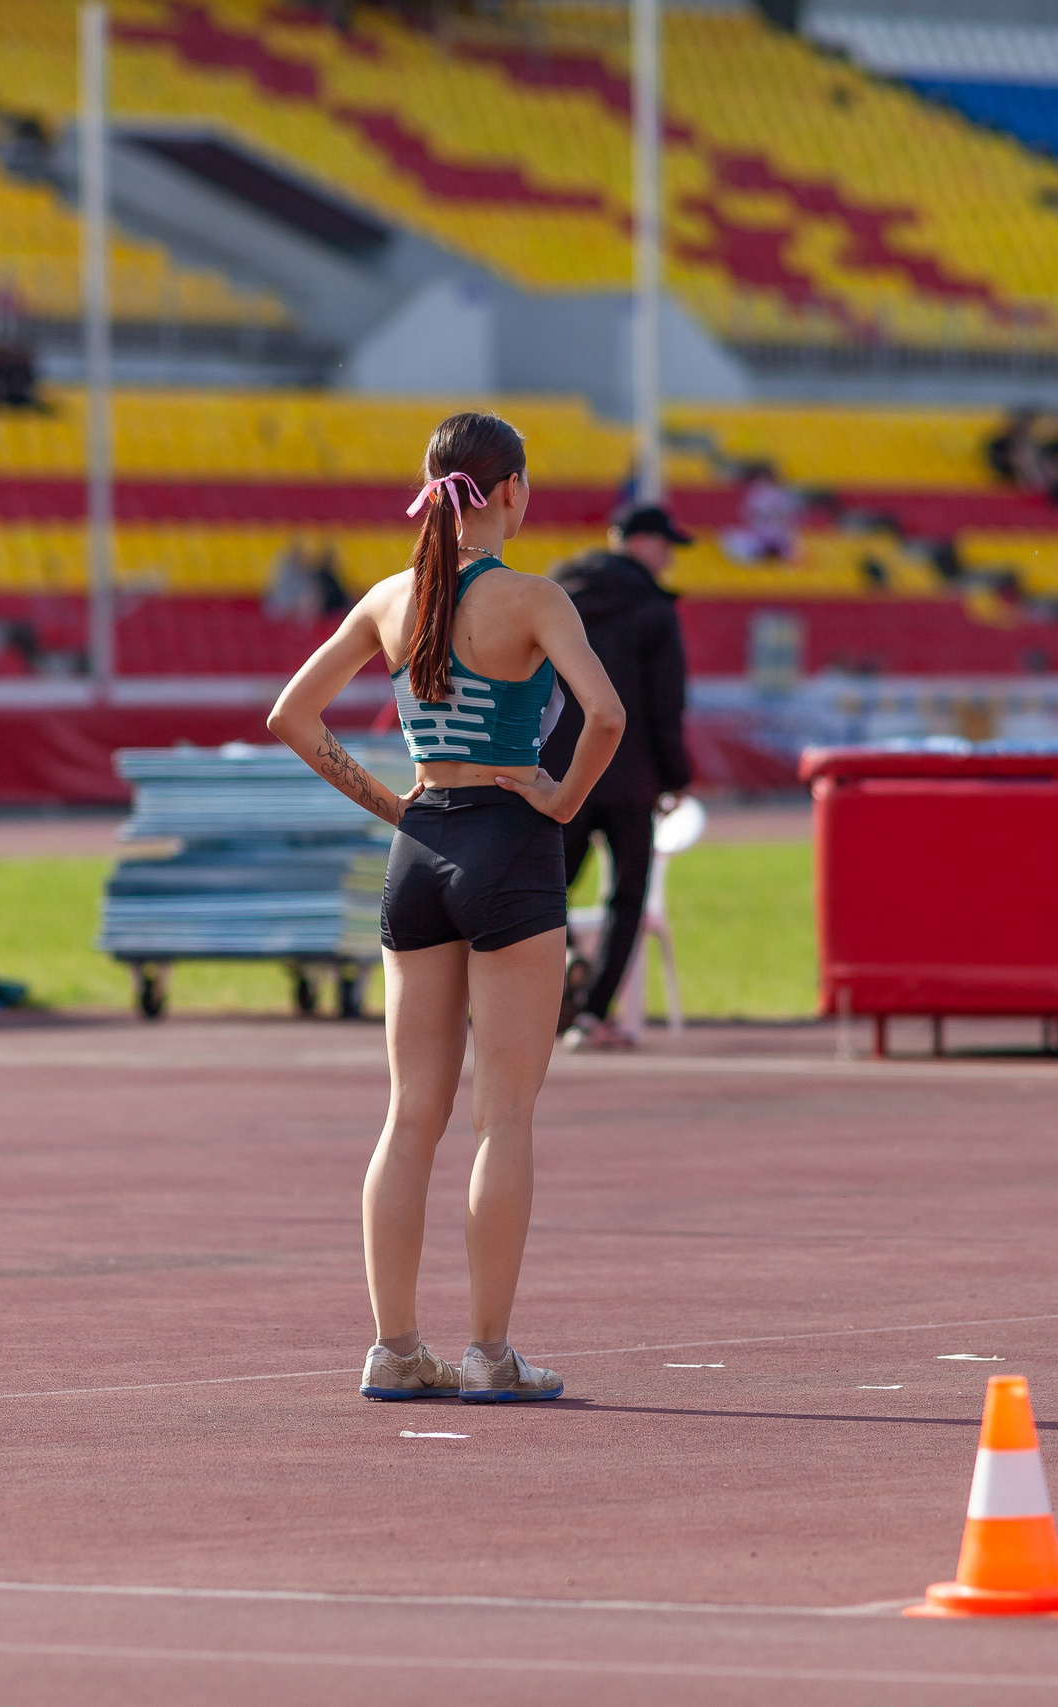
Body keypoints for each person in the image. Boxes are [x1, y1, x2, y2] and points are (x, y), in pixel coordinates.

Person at [266, 410, 623, 1406]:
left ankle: (393, 1348)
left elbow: (291, 715)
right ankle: (489, 1355)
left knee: (407, 1116)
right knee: (501, 1115)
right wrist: (557, 795)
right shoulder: (530, 598)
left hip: (419, 851)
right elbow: (605, 715)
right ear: (511, 490)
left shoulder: (391, 598)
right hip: (509, 846)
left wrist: (393, 805)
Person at [541, 503, 695, 1049]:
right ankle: (592, 1017)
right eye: (665, 544)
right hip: (631, 776)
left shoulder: (556, 596)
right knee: (627, 898)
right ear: (642, 543)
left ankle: (551, 974)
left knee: (544, 888)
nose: (670, 556)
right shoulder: (653, 608)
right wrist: (676, 775)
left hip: (560, 771)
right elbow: (665, 703)